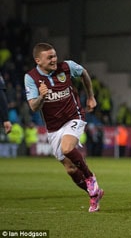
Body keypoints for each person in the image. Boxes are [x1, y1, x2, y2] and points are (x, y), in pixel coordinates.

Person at [24, 42, 104, 213]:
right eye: (49, 57)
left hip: (74, 116)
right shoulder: (30, 78)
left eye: (54, 55)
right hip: (53, 127)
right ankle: (94, 195)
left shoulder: (67, 67)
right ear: (38, 60)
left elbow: (83, 73)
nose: (54, 59)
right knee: (70, 169)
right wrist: (42, 97)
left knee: (67, 148)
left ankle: (90, 177)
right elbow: (33, 107)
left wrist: (91, 96)